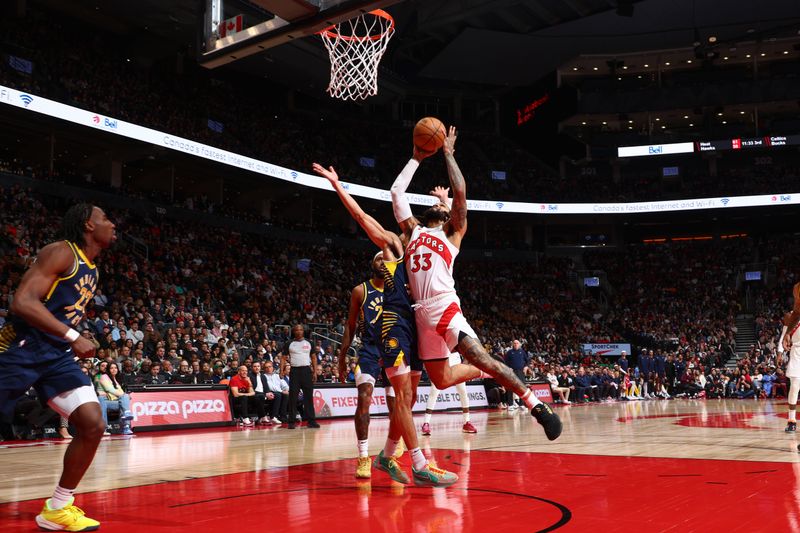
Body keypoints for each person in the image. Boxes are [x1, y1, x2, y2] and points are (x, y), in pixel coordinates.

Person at [388, 126, 561, 441]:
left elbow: (461, 194)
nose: (442, 203)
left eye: (445, 204)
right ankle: (486, 370)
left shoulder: (452, 233)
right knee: (441, 380)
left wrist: (448, 155)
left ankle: (536, 405)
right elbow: (397, 193)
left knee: (478, 355)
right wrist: (415, 158)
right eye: (441, 203)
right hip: (421, 314)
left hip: (444, 306)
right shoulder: (412, 230)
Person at [313, 161, 458, 487]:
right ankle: (415, 462)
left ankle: (387, 456)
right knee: (394, 397)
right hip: (392, 329)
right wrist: (338, 185)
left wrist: (445, 204)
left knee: (405, 403)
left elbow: (446, 230)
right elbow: (362, 218)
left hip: (418, 324)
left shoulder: (430, 247)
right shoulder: (395, 246)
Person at [0, 203, 115, 531]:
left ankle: (57, 508)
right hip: (19, 348)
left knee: (92, 424)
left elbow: (63, 312)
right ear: (88, 226)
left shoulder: (92, 268)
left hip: (56, 355)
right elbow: (22, 302)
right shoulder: (61, 252)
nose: (112, 224)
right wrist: (72, 335)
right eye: (105, 218)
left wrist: (73, 337)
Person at [338, 253, 404, 478]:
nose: (382, 263)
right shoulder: (360, 291)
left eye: (387, 260)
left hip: (394, 351)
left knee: (396, 406)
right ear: (372, 264)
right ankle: (363, 457)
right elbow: (350, 325)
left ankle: (391, 452)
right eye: (378, 259)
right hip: (369, 351)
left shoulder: (400, 290)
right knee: (364, 399)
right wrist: (341, 358)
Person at [421, 352, 477, 436]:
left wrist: (465, 362)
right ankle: (426, 423)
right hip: (440, 360)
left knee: (463, 391)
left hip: (455, 359)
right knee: (434, 391)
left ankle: (467, 422)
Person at [281, 325, 320, 429]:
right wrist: (281, 371)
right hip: (294, 371)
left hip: (307, 371)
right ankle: (292, 422)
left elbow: (314, 358)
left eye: (300, 329)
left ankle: (311, 421)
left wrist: (315, 372)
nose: (299, 331)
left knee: (308, 397)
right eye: (296, 330)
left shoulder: (309, 342)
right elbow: (283, 358)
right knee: (293, 397)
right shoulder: (289, 343)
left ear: (303, 331)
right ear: (294, 331)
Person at [96, 362, 133, 435]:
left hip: (113, 401)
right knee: (124, 400)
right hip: (104, 401)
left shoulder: (115, 379)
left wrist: (124, 396)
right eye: (111, 368)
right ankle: (104, 429)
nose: (114, 370)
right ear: (108, 370)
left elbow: (121, 392)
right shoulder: (103, 376)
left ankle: (126, 427)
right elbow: (110, 390)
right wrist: (124, 395)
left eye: (115, 368)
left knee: (124, 402)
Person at [782, 285, 800, 432]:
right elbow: (783, 336)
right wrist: (780, 352)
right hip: (797, 351)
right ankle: (791, 420)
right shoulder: (790, 316)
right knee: (794, 386)